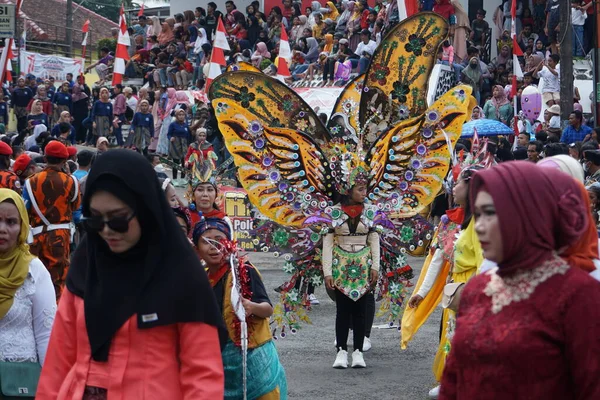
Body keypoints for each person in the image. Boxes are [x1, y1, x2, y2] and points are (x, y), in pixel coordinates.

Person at [36, 150, 225, 399]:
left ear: (145, 209)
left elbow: (203, 378)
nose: (106, 231)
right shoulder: (86, 267)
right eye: (95, 220)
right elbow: (57, 364)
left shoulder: (180, 275)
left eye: (118, 220)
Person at [439, 161, 600, 399]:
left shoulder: (579, 295)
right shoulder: (478, 288)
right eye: (479, 214)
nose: (480, 227)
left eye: (492, 213)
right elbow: (454, 380)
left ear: (530, 214)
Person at [194, 216, 287, 398]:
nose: (213, 246)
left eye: (219, 240)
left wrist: (252, 307)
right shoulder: (200, 278)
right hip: (220, 361)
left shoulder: (243, 271)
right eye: (206, 241)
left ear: (229, 242)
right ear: (197, 249)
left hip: (253, 359)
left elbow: (267, 309)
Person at [0, 189, 56, 386]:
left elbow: (46, 333)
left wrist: (49, 387)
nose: (3, 229)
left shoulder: (34, 270)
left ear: (22, 226)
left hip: (19, 383)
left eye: (11, 222)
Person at [322, 177, 380, 369]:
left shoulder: (370, 211)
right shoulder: (334, 212)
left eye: (366, 190)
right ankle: (341, 351)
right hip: (341, 266)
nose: (365, 193)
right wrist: (327, 272)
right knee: (342, 311)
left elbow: (374, 239)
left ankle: (357, 353)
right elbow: (328, 243)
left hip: (363, 265)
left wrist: (375, 267)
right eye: (361, 189)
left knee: (361, 310)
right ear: (349, 191)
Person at [22, 141, 81, 299]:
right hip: (60, 238)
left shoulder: (30, 182)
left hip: (35, 237)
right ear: (64, 161)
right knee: (58, 281)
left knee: (36, 279)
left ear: (45, 158)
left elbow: (24, 210)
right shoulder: (71, 181)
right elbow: (76, 207)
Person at [168, 108, 191, 180]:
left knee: (184, 161)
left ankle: (182, 178)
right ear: (176, 116)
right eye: (179, 115)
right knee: (176, 162)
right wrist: (171, 138)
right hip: (175, 144)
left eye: (183, 115)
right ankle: (174, 178)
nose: (181, 116)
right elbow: (169, 134)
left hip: (184, 145)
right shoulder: (173, 124)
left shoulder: (186, 125)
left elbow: (188, 136)